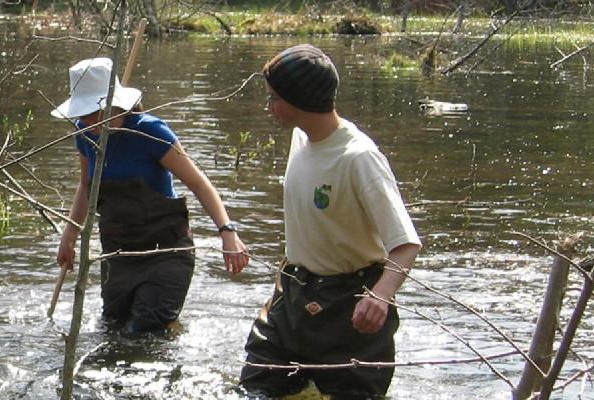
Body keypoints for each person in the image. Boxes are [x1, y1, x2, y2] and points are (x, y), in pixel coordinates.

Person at [238, 44, 422, 399]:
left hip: (351, 306)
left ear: (299, 101)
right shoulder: (300, 137)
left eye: (274, 98)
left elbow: (406, 244)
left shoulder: (359, 158)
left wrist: (380, 296)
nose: (269, 106)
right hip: (291, 295)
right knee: (254, 388)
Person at [53, 57, 249, 334]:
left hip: (166, 252)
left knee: (142, 332)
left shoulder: (151, 132)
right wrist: (69, 236)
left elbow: (198, 183)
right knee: (111, 329)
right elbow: (86, 186)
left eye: (93, 113)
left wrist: (227, 231)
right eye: (81, 114)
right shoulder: (85, 134)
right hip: (119, 252)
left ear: (114, 104)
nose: (87, 121)